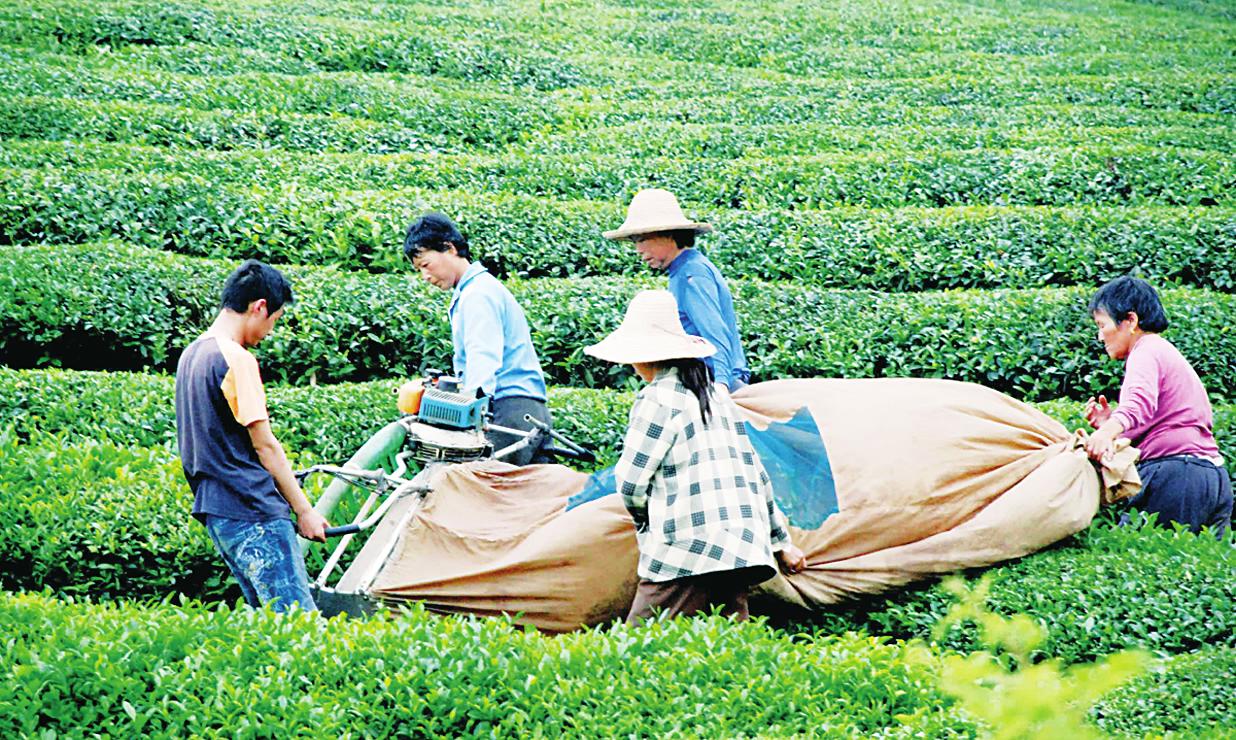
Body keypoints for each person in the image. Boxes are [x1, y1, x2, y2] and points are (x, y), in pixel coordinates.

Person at [585, 290, 806, 624]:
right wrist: (781, 543)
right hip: (741, 543)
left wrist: (647, 520)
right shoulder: (717, 397)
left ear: (645, 356)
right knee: (729, 648)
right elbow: (756, 475)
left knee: (638, 645)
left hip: (687, 544)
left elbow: (631, 482)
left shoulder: (658, 399)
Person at [175, 260, 327, 612]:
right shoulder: (236, 359)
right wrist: (304, 511)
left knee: (269, 625)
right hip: (253, 511)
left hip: (217, 511)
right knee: (298, 626)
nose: (271, 330)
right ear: (259, 307)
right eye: (274, 319)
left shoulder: (192, 354)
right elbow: (265, 445)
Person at [1083, 275, 1232, 536]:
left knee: (1130, 557)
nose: (1099, 336)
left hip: (1176, 477)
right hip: (1211, 478)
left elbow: (1139, 403)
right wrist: (1111, 425)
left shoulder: (1146, 351)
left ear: (1130, 321)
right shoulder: (1164, 352)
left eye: (1101, 324)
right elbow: (1158, 417)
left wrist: (1105, 433)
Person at [403, 212, 552, 465]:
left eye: (426, 265)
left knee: (482, 495)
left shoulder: (477, 295)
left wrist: (470, 417)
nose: (425, 277)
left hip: (508, 411)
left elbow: (482, 358)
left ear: (449, 248)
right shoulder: (478, 289)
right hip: (529, 411)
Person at [604, 189, 751, 392]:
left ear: (668, 234)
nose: (638, 249)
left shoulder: (692, 273)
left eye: (641, 239)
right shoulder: (683, 270)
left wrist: (721, 386)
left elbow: (715, 334)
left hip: (714, 383)